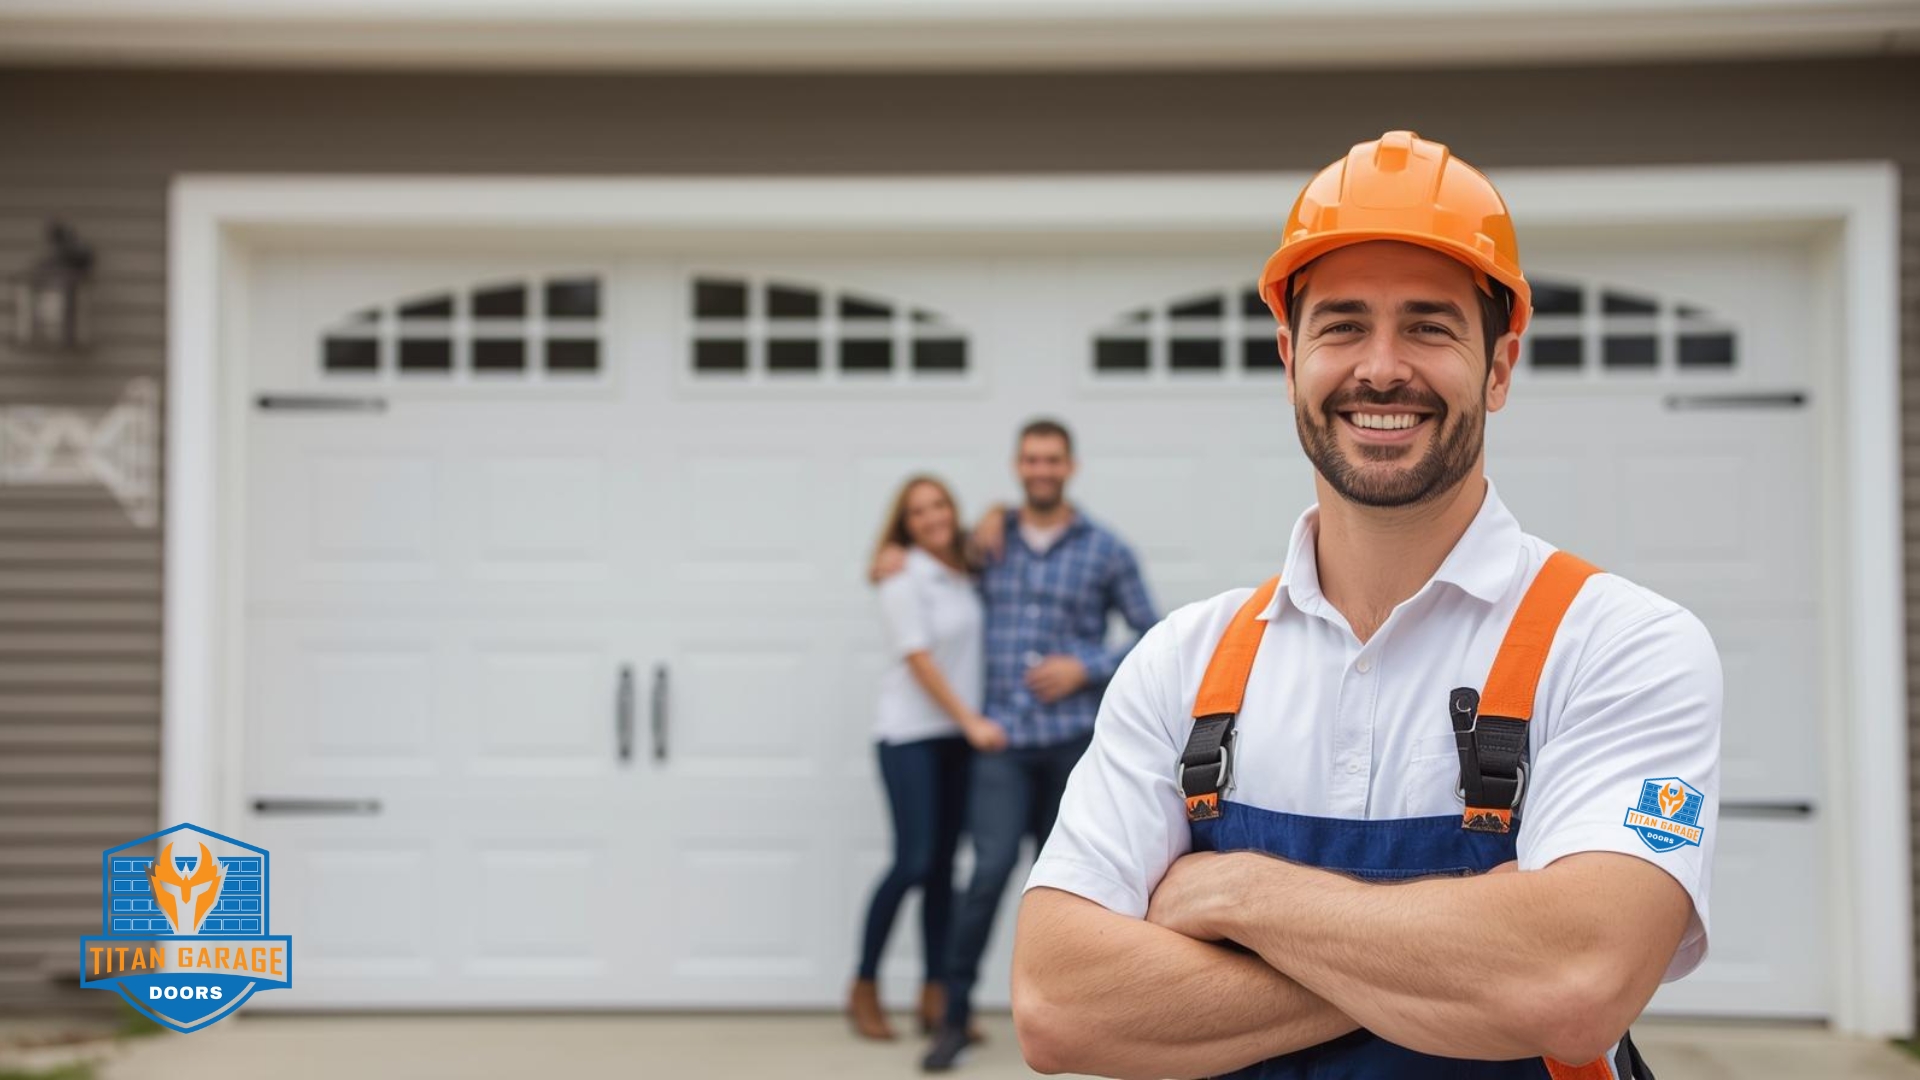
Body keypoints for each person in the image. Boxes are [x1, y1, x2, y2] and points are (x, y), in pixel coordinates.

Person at [1012, 131, 1718, 1080]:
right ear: (1288, 356)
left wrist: (1237, 897)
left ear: (1500, 366)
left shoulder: (1621, 645)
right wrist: (1471, 955)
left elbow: (1575, 984)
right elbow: (1060, 1006)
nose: (1381, 369)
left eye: (1430, 326)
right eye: (1342, 325)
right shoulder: (1184, 660)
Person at [893, 418, 1159, 1072]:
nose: (1041, 470)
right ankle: (952, 1017)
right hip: (1003, 740)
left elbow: (1152, 631)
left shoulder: (1106, 549)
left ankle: (1074, 1019)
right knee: (986, 875)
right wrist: (890, 560)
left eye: (1052, 460)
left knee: (1069, 887)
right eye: (1031, 460)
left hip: (1073, 744)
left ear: (1070, 466)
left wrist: (1086, 667)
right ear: (1018, 465)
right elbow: (924, 566)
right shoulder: (989, 540)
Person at [849, 475, 1005, 1042]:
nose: (932, 518)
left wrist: (992, 514)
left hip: (956, 743)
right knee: (913, 863)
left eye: (939, 505)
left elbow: (1003, 518)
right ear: (905, 525)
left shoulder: (964, 566)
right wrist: (969, 720)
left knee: (943, 871)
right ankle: (863, 985)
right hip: (910, 737)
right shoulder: (902, 577)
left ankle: (936, 997)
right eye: (919, 513)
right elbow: (918, 659)